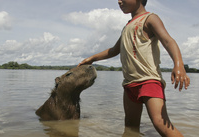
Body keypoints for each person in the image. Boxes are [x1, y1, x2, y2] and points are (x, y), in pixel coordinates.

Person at [78, 0, 190, 136]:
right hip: (130, 84)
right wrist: (92, 58)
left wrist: (178, 64)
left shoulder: (150, 19)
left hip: (149, 81)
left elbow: (168, 40)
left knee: (160, 122)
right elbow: (113, 50)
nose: (119, 1)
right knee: (130, 126)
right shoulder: (127, 27)